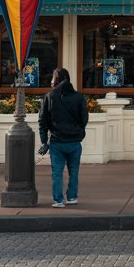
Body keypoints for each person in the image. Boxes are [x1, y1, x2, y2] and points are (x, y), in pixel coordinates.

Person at [38, 67, 89, 208]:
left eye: (53, 78)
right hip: (74, 142)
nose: (51, 81)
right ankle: (72, 197)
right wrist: (79, 131)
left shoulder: (49, 97)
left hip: (57, 141)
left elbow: (42, 121)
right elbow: (84, 118)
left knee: (57, 173)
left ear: (57, 80)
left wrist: (44, 141)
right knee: (74, 172)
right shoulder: (79, 97)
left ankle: (58, 200)